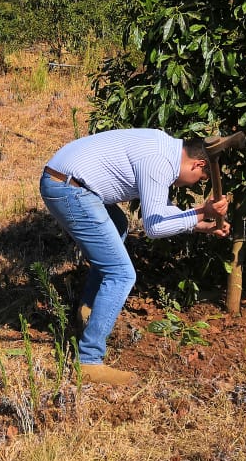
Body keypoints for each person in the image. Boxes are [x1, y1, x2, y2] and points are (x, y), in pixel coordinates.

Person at [40, 128, 232, 386]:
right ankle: (88, 361)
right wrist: (200, 211)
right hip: (69, 189)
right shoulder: (159, 162)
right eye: (198, 179)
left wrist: (202, 224)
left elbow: (159, 211)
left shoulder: (164, 147)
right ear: (197, 164)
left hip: (69, 180)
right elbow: (155, 228)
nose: (192, 184)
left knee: (117, 225)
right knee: (121, 274)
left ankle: (88, 310)